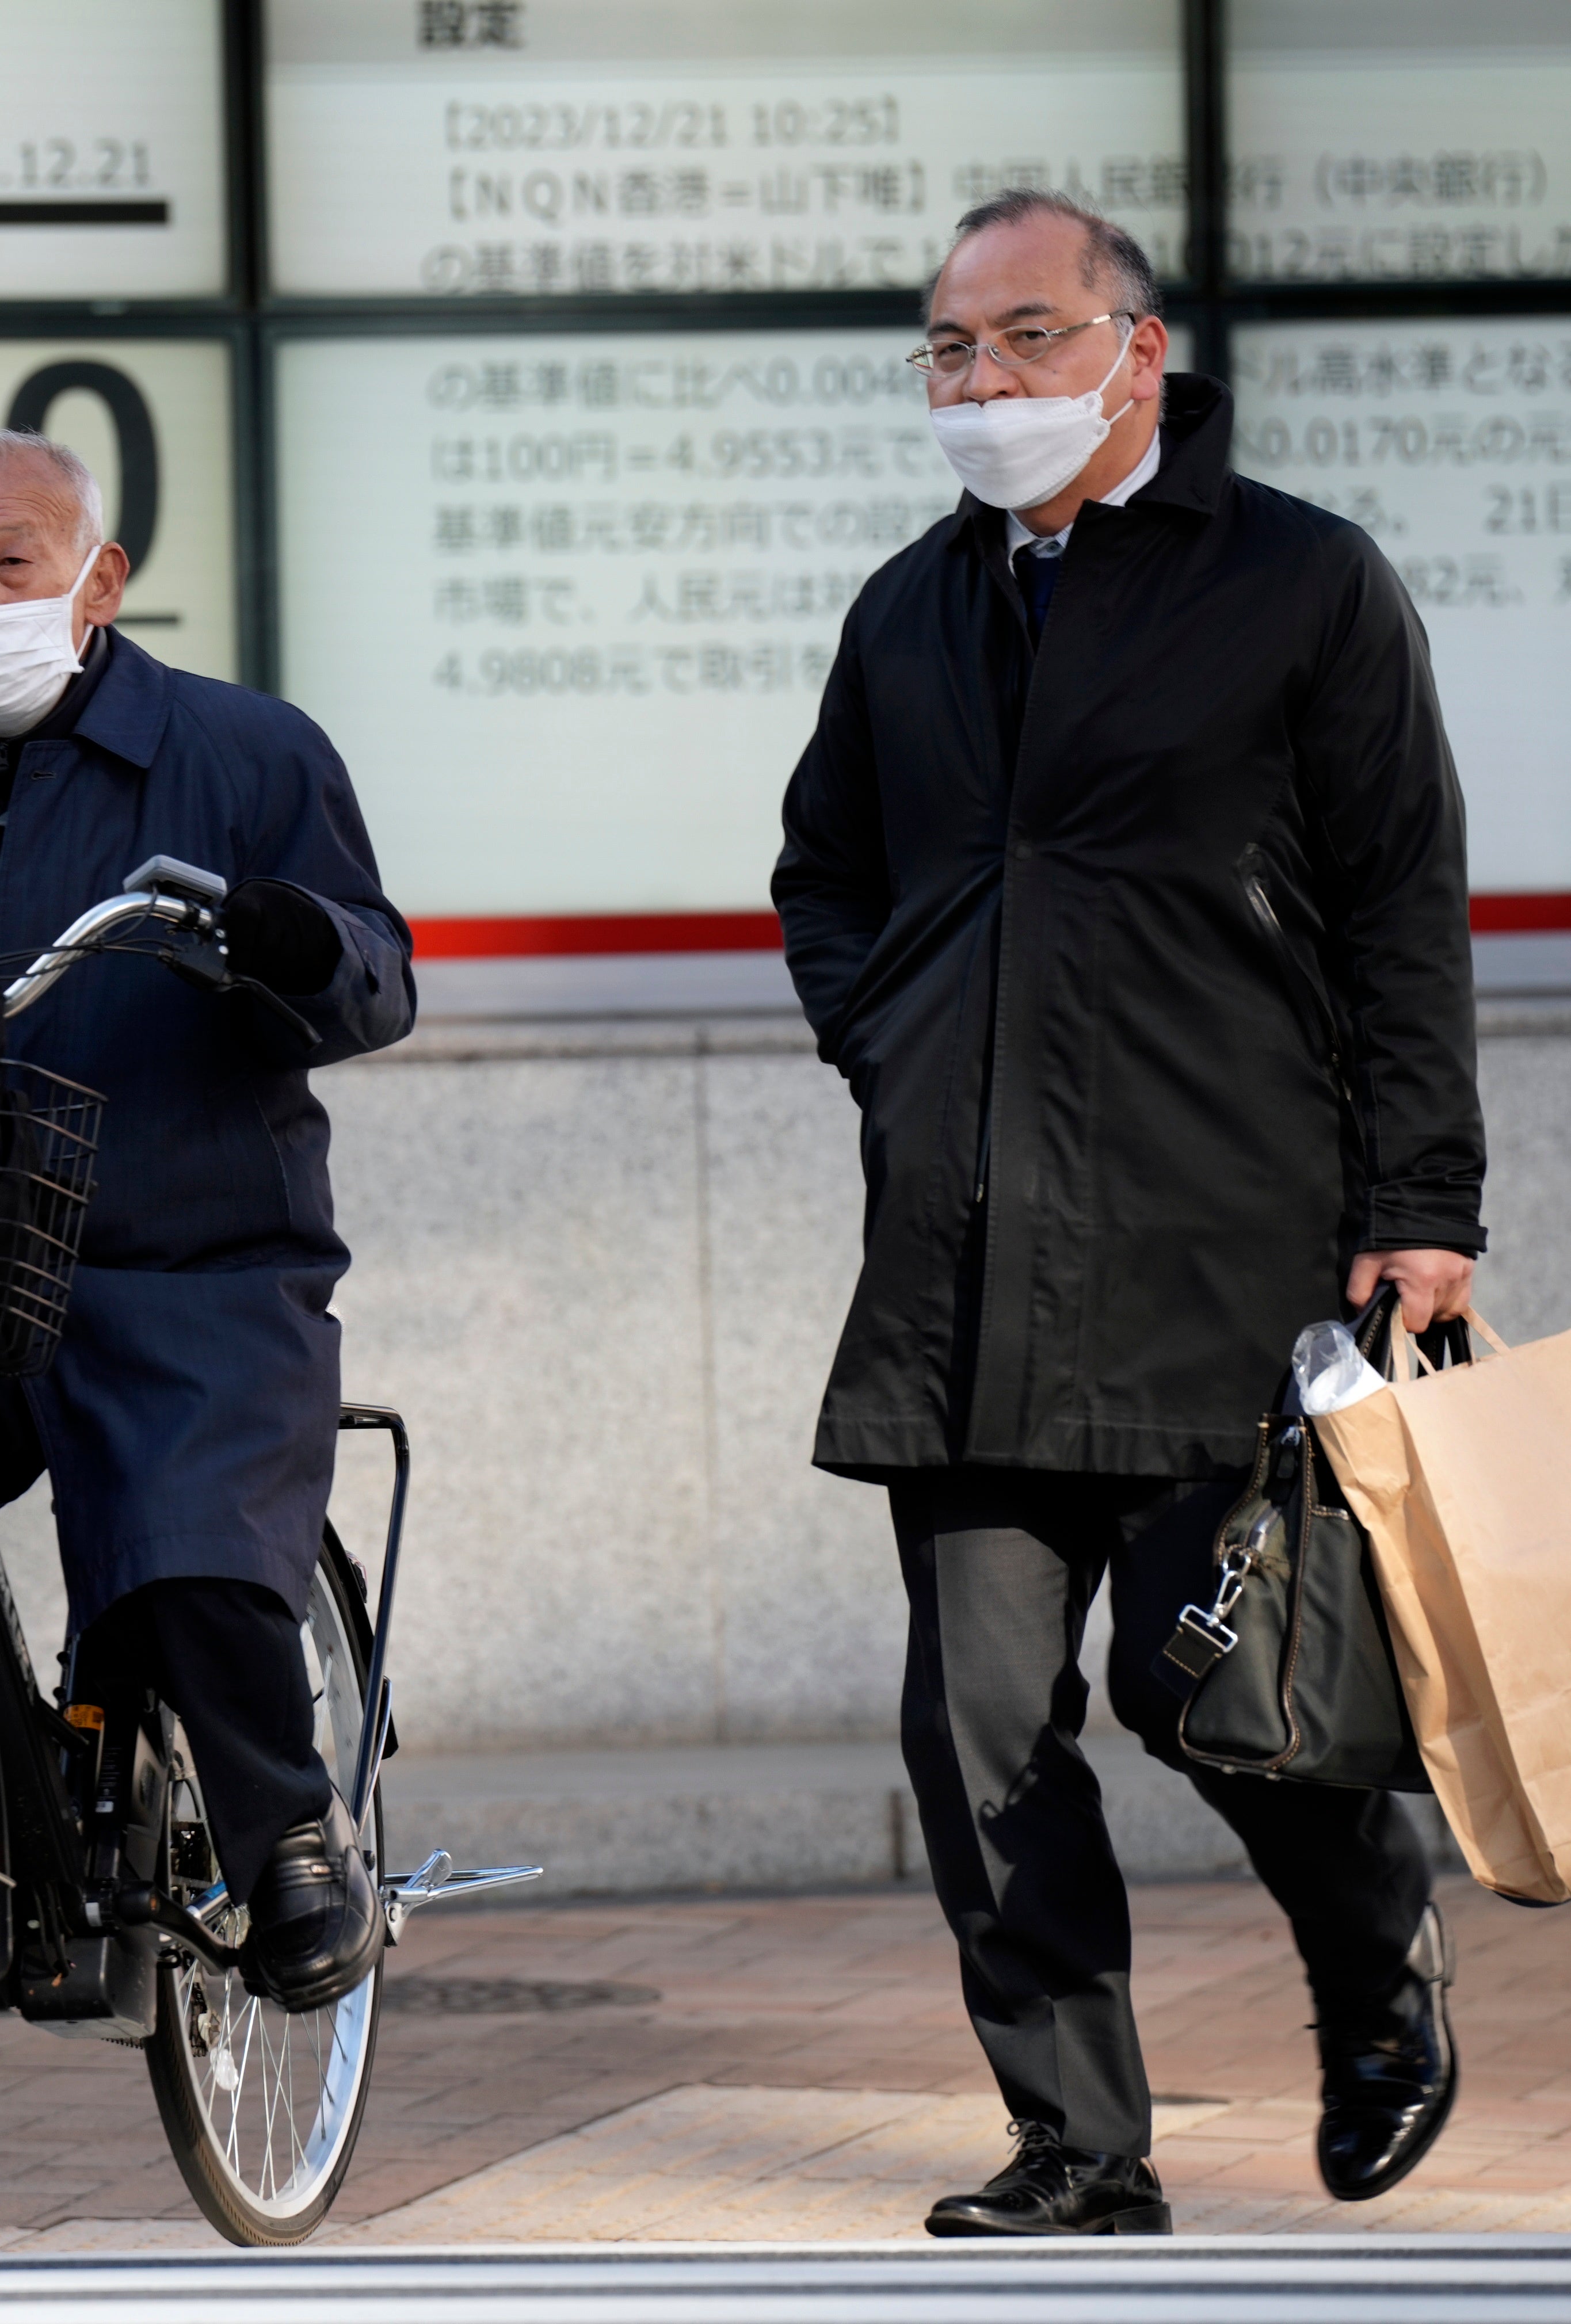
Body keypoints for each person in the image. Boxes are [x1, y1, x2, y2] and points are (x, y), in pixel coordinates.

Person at [776, 190, 1485, 2237]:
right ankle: (1076, 2146)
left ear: (1130, 350)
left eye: (1015, 338)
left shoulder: (1296, 586)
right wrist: (889, 1047)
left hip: (1221, 1249)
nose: (976, 384)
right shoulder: (908, 609)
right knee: (976, 1731)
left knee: (1227, 1693)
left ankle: (1373, 1977)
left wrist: (1417, 1199)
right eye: (943, 351)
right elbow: (822, 872)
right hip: (960, 1267)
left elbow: (1396, 909)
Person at [0, 428, 417, 2013]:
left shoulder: (248, 755)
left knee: (188, 1545)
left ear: (99, 579)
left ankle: (287, 1846)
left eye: (13, 565)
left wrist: (282, 937)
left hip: (194, 1248)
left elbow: (374, 980)